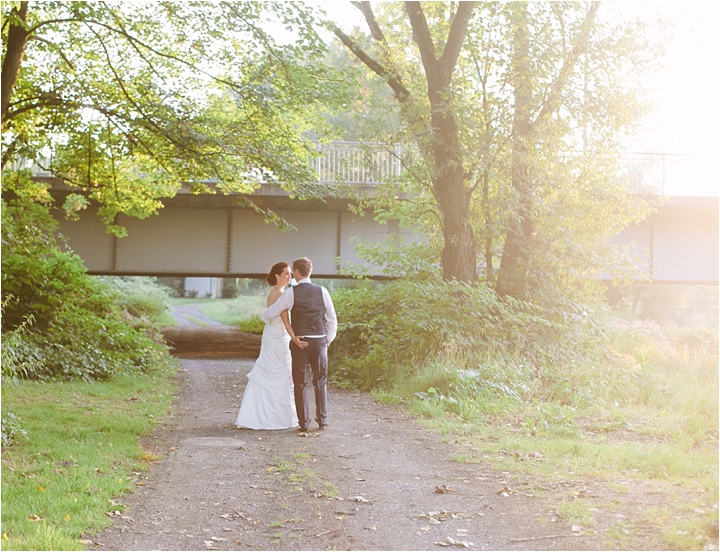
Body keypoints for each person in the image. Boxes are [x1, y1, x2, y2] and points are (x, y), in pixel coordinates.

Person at [261, 257, 337, 433]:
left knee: (300, 382)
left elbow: (270, 313)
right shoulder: (323, 291)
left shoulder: (290, 293)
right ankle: (322, 420)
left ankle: (304, 423)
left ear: (296, 272)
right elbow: (332, 319)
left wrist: (267, 316)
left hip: (300, 342)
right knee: (320, 381)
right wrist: (328, 339)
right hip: (319, 341)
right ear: (309, 271)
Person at [235, 262, 307, 430]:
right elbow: (284, 319)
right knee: (277, 372)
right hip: (277, 337)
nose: (290, 277)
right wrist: (294, 337)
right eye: (286, 274)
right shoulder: (280, 293)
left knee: (273, 372)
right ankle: (275, 418)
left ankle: (268, 414)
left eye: (290, 274)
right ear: (277, 276)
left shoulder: (275, 291)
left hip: (273, 335)